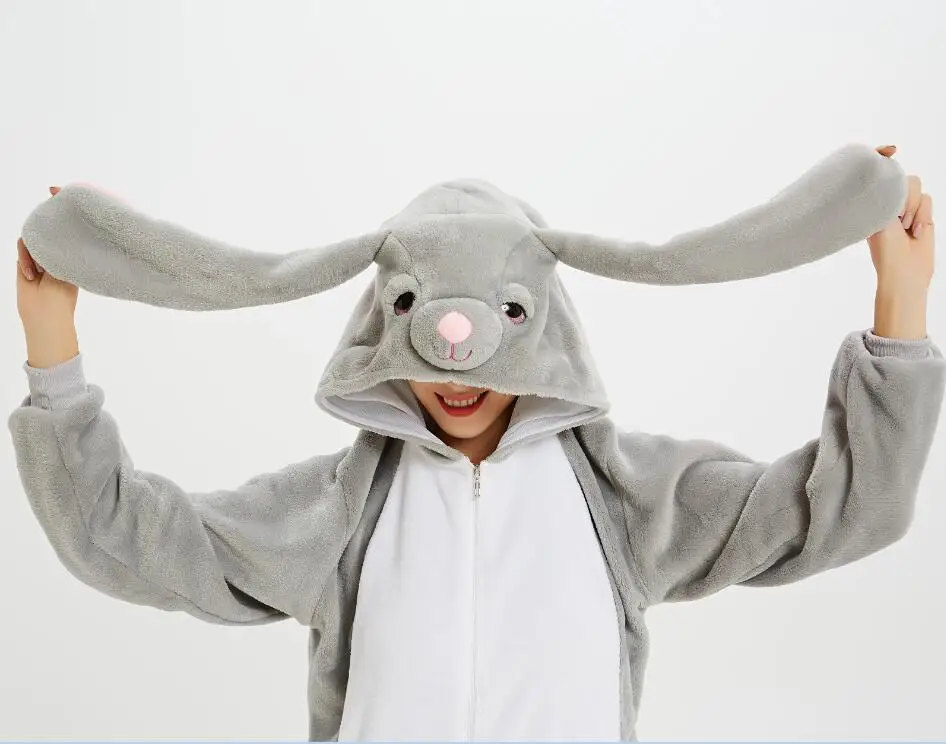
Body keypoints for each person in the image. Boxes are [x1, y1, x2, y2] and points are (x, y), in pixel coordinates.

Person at [10, 144, 944, 740]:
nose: (456, 360)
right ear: (384, 323)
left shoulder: (625, 499)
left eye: (502, 319)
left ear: (539, 322)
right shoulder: (339, 514)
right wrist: (52, 349)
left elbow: (841, 511)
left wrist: (900, 308)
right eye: (416, 316)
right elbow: (121, 539)